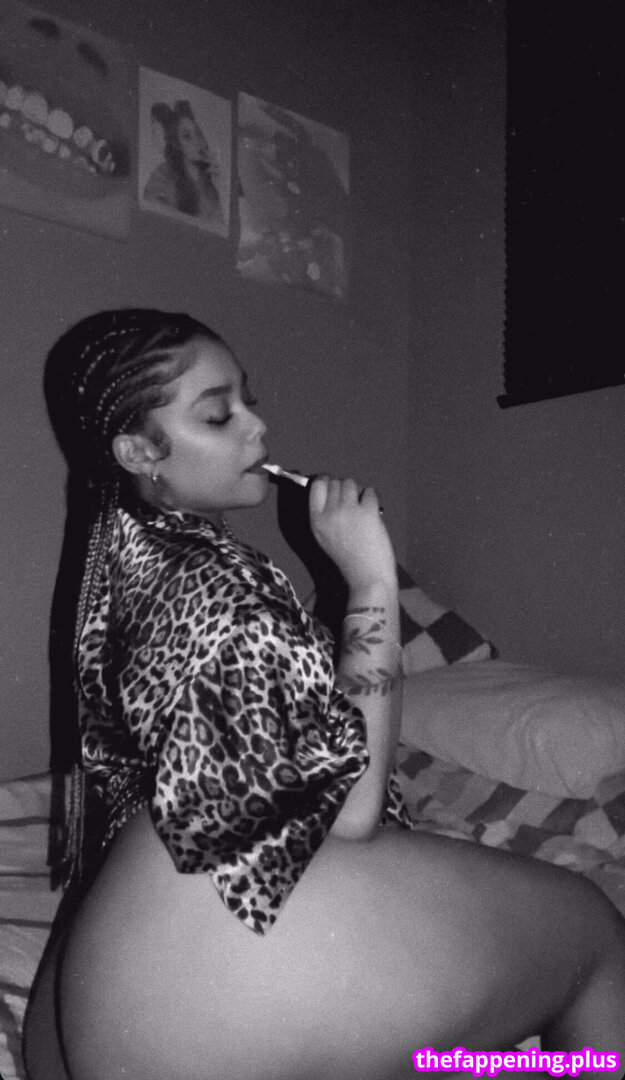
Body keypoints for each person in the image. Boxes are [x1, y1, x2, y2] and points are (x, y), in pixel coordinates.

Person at [23, 308, 625, 1080]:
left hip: (86, 1014)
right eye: (219, 415)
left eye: (248, 401)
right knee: (591, 929)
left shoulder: (120, 567)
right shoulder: (226, 586)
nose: (257, 427)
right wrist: (370, 581)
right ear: (140, 451)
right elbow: (349, 814)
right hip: (213, 998)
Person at [142, 100, 225, 228]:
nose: (197, 141)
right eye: (187, 136)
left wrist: (221, 187)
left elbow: (221, 224)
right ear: (177, 144)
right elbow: (151, 213)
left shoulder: (210, 179)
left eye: (198, 133)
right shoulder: (163, 175)